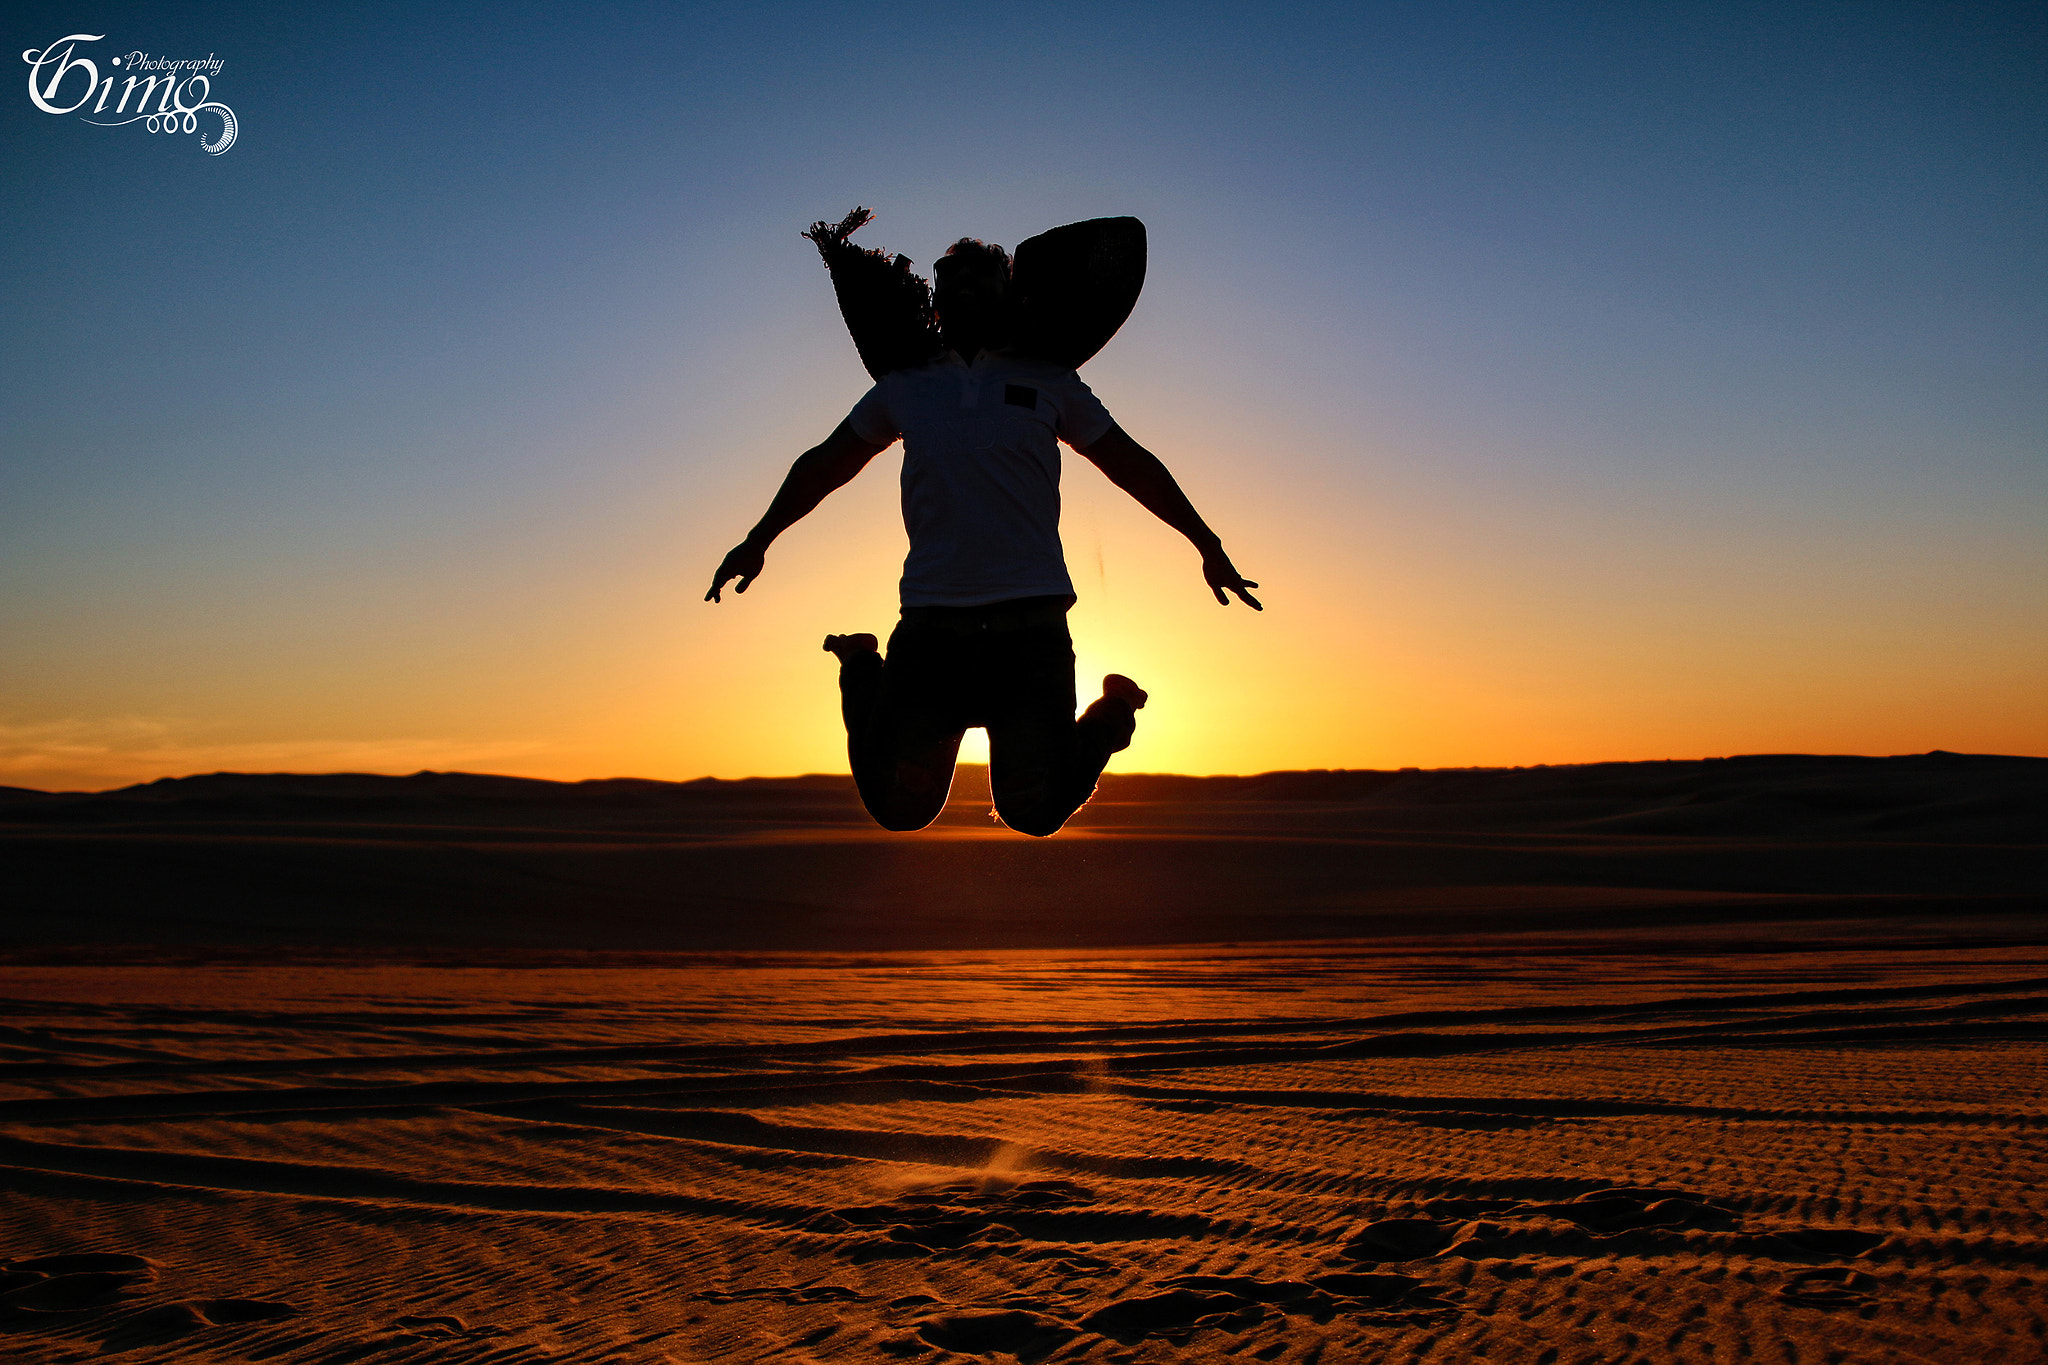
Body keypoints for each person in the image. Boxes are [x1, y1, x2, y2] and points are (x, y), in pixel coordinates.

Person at [706, 237, 1259, 835]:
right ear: (936, 297)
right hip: (931, 629)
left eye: (981, 273)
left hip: (1031, 632)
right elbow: (825, 462)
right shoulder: (905, 384)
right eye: (951, 274)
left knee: (1034, 811)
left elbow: (1130, 462)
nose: (964, 282)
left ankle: (1115, 711)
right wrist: (758, 539)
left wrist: (1207, 543)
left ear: (1010, 291)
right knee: (899, 807)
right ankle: (861, 664)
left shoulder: (1049, 378)